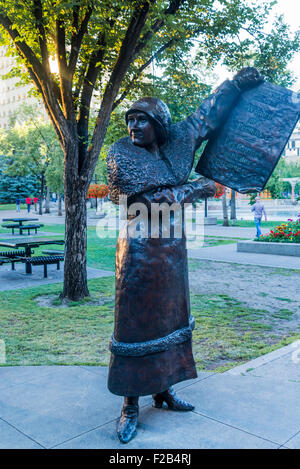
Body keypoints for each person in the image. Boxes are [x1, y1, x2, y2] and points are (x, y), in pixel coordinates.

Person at [107, 67, 263, 444]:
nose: (133, 126)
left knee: (171, 316)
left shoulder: (177, 140)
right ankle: (130, 404)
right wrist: (198, 188)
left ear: (159, 124)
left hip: (173, 249)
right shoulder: (120, 154)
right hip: (140, 249)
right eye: (130, 120)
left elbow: (206, 114)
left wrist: (236, 84)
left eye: (141, 120)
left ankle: (164, 389)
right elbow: (148, 202)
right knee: (135, 323)